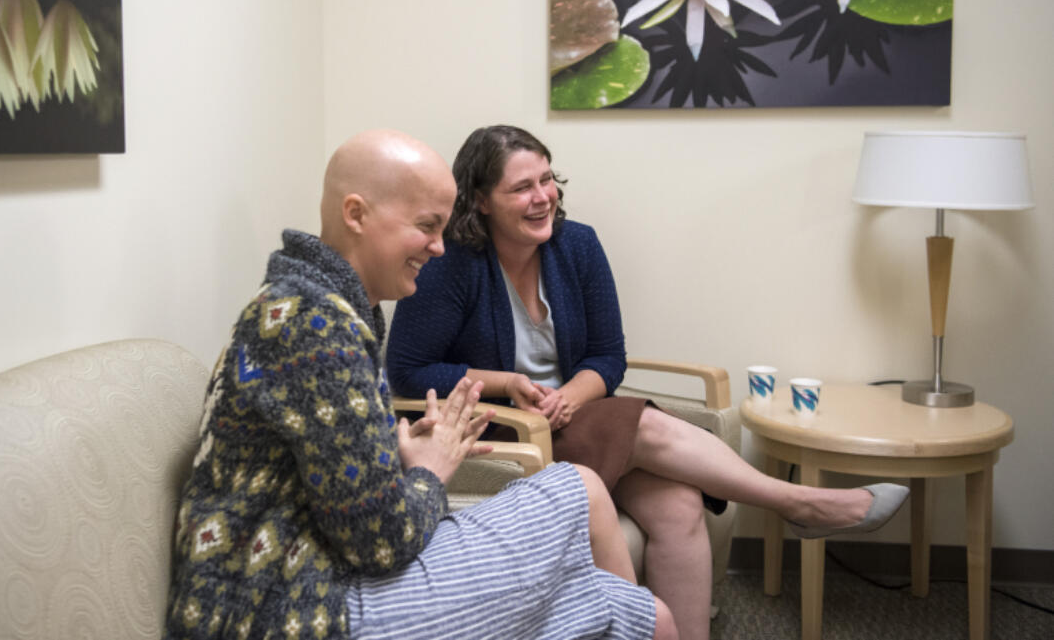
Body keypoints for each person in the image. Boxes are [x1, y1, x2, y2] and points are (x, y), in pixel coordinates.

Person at [386, 124, 910, 640]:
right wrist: (508, 383)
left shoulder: (578, 247)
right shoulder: (452, 263)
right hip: (500, 431)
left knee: (680, 505)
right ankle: (798, 503)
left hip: (576, 419)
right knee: (649, 428)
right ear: (480, 201)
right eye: (522, 188)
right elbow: (407, 371)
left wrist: (570, 396)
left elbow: (608, 357)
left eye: (547, 179)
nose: (542, 197)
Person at [163, 128, 676, 640]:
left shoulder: (308, 305)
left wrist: (400, 453)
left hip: (315, 575)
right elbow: (381, 543)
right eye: (427, 227)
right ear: (356, 214)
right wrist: (430, 471)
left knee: (621, 592)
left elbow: (338, 487)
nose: (437, 248)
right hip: (297, 607)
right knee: (600, 529)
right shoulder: (316, 329)